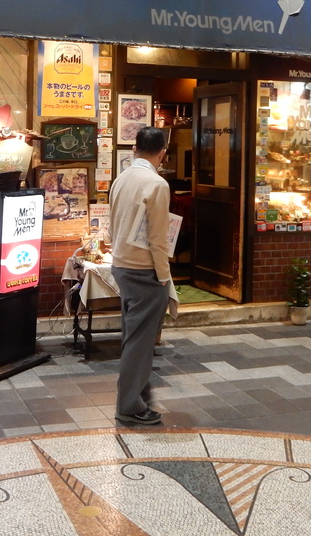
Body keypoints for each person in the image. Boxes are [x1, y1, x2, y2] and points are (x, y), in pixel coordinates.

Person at [108, 125, 172, 425]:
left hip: (121, 264)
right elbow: (158, 237)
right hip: (145, 270)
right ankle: (129, 406)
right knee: (141, 342)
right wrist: (164, 275)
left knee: (133, 337)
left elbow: (113, 223)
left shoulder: (121, 178)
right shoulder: (156, 184)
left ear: (135, 149)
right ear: (163, 153)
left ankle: (138, 396)